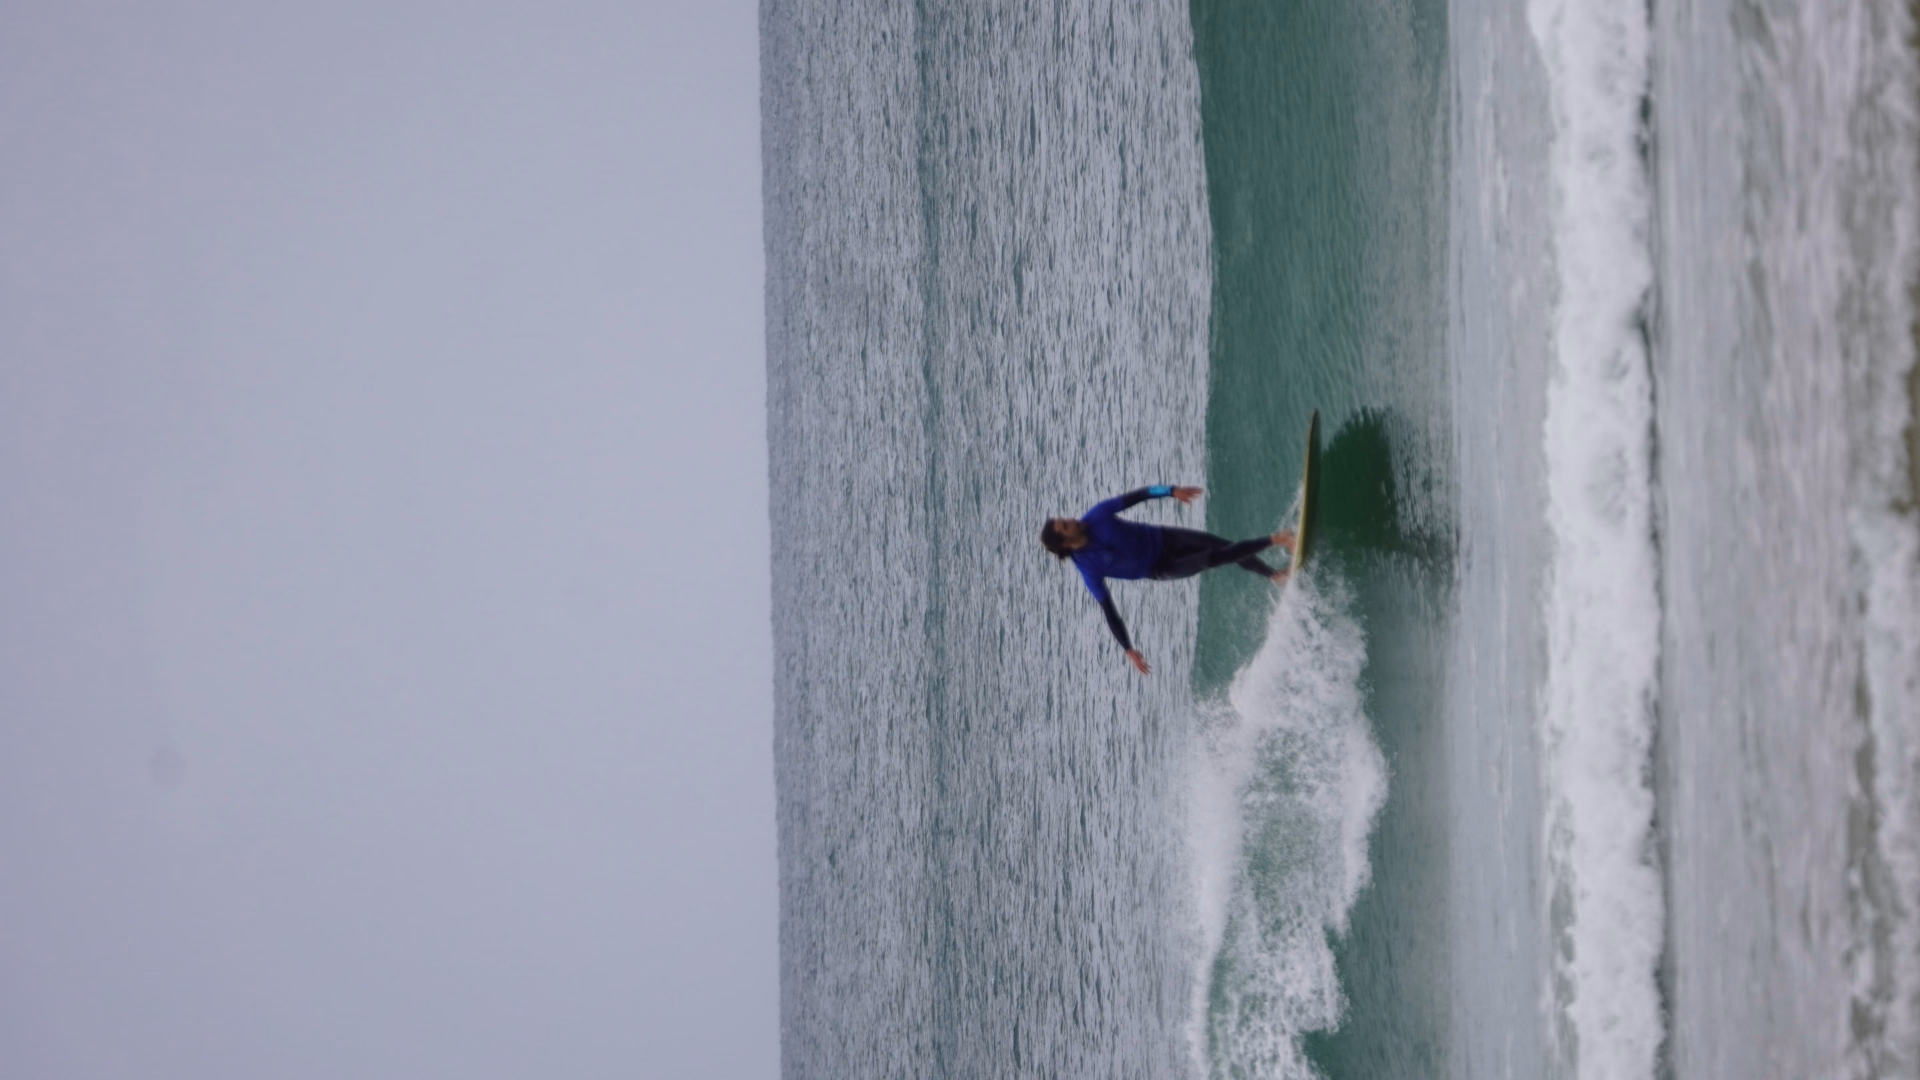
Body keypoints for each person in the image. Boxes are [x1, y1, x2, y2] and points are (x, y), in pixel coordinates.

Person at [1041, 485, 1294, 675]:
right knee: (1211, 558)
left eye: (1065, 520)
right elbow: (1109, 610)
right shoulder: (1088, 568)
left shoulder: (1097, 515)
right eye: (1066, 526)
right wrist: (1128, 648)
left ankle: (1272, 574)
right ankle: (1277, 540)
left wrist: (1172, 491)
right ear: (1066, 543)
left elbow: (1140, 495)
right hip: (1161, 568)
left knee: (1222, 546)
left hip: (1166, 538)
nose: (1072, 520)